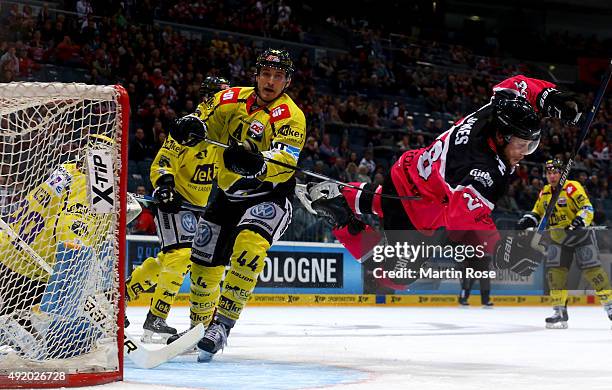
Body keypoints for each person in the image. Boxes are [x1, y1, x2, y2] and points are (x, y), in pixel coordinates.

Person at [298, 75, 582, 289]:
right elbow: (463, 219)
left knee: (390, 202)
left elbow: (517, 84)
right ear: (502, 137)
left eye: (530, 146)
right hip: (419, 209)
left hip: (411, 172)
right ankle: (342, 219)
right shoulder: (482, 169)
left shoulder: (495, 110)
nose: (524, 154)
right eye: (521, 145)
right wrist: (504, 252)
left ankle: (345, 195)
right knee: (397, 277)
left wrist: (549, 97)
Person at [168, 48, 306, 362]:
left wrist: (257, 164)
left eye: (278, 76)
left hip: (269, 194)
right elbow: (202, 120)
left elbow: (285, 161)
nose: (271, 82)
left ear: (287, 81)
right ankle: (198, 328)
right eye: (266, 74)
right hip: (228, 194)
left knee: (248, 248)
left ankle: (222, 326)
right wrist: (188, 127)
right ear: (256, 75)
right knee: (203, 262)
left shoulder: (291, 115)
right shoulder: (230, 98)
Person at [0, 134, 141, 358]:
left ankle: (18, 326)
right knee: (74, 336)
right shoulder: (88, 190)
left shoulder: (67, 170)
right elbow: (72, 243)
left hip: (12, 258)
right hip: (24, 274)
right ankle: (19, 327)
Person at [124, 76, 230, 342]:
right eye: (223, 96)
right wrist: (165, 184)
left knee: (168, 260)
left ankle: (121, 296)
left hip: (198, 207)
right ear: (210, 98)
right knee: (181, 256)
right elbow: (162, 162)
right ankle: (156, 319)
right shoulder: (188, 128)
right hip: (175, 201)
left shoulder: (225, 133)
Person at [516, 159, 612, 328]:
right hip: (558, 239)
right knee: (555, 275)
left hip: (581, 236)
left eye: (555, 172)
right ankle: (559, 311)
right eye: (549, 173)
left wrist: (579, 221)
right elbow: (538, 211)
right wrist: (528, 219)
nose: (552, 176)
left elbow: (587, 208)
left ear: (562, 173)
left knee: (593, 272)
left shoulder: (572, 187)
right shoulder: (545, 192)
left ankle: (610, 307)